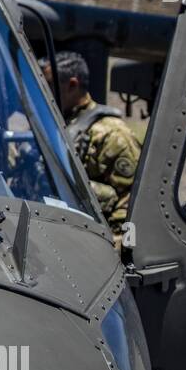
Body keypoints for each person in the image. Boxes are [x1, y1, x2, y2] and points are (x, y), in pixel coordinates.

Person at [40, 50, 141, 247]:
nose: (42, 92)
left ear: (72, 85)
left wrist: (112, 249)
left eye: (48, 86)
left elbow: (131, 204)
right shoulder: (54, 125)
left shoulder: (112, 134)